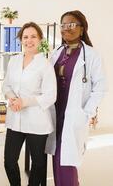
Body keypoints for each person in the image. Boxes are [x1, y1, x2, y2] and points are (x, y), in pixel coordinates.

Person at [45, 10, 106, 186]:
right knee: (58, 157)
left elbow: (100, 87)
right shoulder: (56, 52)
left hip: (74, 112)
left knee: (68, 159)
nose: (66, 28)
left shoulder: (92, 55)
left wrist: (86, 112)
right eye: (63, 25)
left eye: (72, 24)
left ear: (82, 28)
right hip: (56, 111)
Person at [3, 22, 57, 186]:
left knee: (38, 163)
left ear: (40, 39)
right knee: (9, 161)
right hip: (15, 119)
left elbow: (50, 96)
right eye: (25, 37)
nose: (29, 40)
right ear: (21, 40)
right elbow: (6, 86)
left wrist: (24, 102)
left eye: (33, 36)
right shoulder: (13, 61)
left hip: (37, 121)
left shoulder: (45, 65)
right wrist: (12, 98)